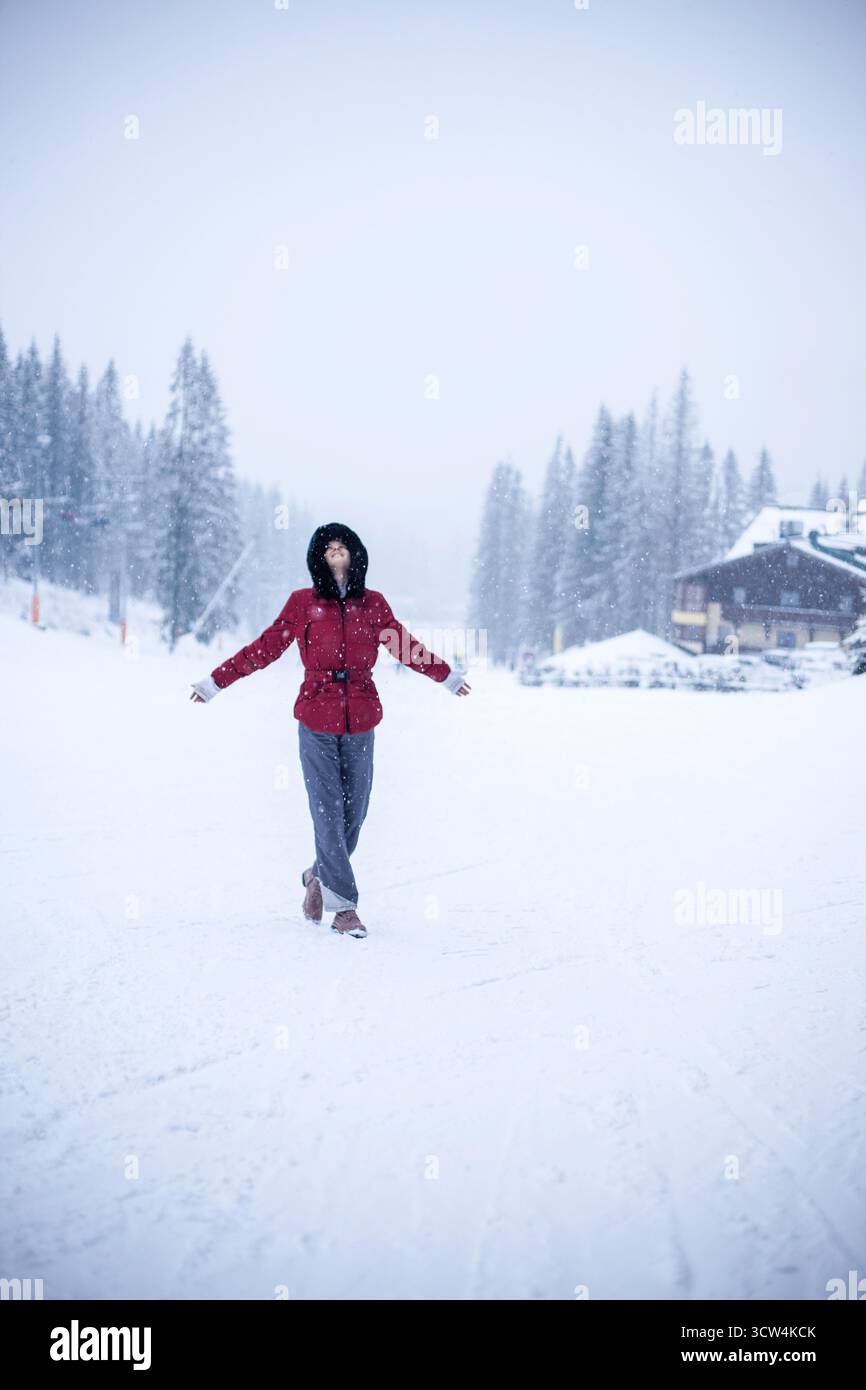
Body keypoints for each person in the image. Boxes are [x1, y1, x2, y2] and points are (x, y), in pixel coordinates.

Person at [190, 522, 470, 938]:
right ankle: (344, 909)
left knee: (353, 815)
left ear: (355, 555)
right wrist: (216, 682)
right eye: (329, 547)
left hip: (361, 717)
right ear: (319, 558)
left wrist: (445, 676)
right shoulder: (303, 604)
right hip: (315, 718)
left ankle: (316, 877)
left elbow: (404, 646)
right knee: (327, 812)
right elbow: (264, 649)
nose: (336, 551)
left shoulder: (373, 605)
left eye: (343, 546)